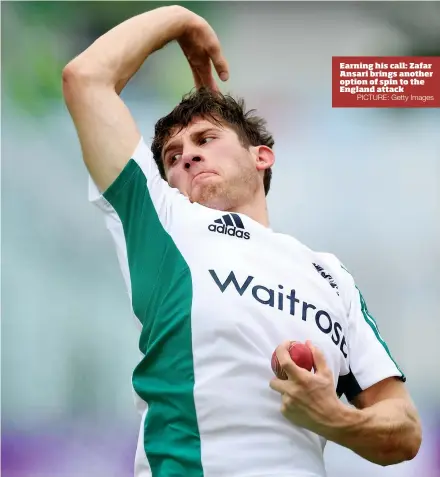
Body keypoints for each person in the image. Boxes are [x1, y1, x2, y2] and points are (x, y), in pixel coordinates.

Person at [62, 5, 422, 477]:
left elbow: (405, 430)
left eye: (206, 139)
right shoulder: (163, 220)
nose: (188, 155)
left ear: (262, 156)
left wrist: (334, 419)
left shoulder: (330, 276)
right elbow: (85, 77)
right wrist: (177, 19)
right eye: (173, 155)